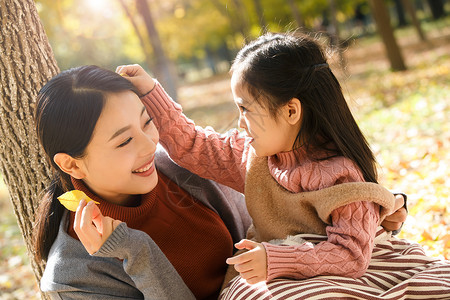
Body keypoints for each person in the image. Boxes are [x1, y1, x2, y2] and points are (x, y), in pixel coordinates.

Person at [117, 32, 450, 299]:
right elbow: (193, 145)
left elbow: (350, 256)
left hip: (347, 266)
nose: (239, 123)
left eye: (246, 109)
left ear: (291, 112)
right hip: (278, 271)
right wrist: (150, 91)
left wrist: (275, 259)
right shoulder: (251, 157)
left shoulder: (341, 175)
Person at [32, 65, 407, 299]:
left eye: (148, 123)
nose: (150, 145)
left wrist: (364, 209)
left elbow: (284, 207)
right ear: (72, 165)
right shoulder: (74, 279)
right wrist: (135, 251)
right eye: (124, 140)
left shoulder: (185, 171)